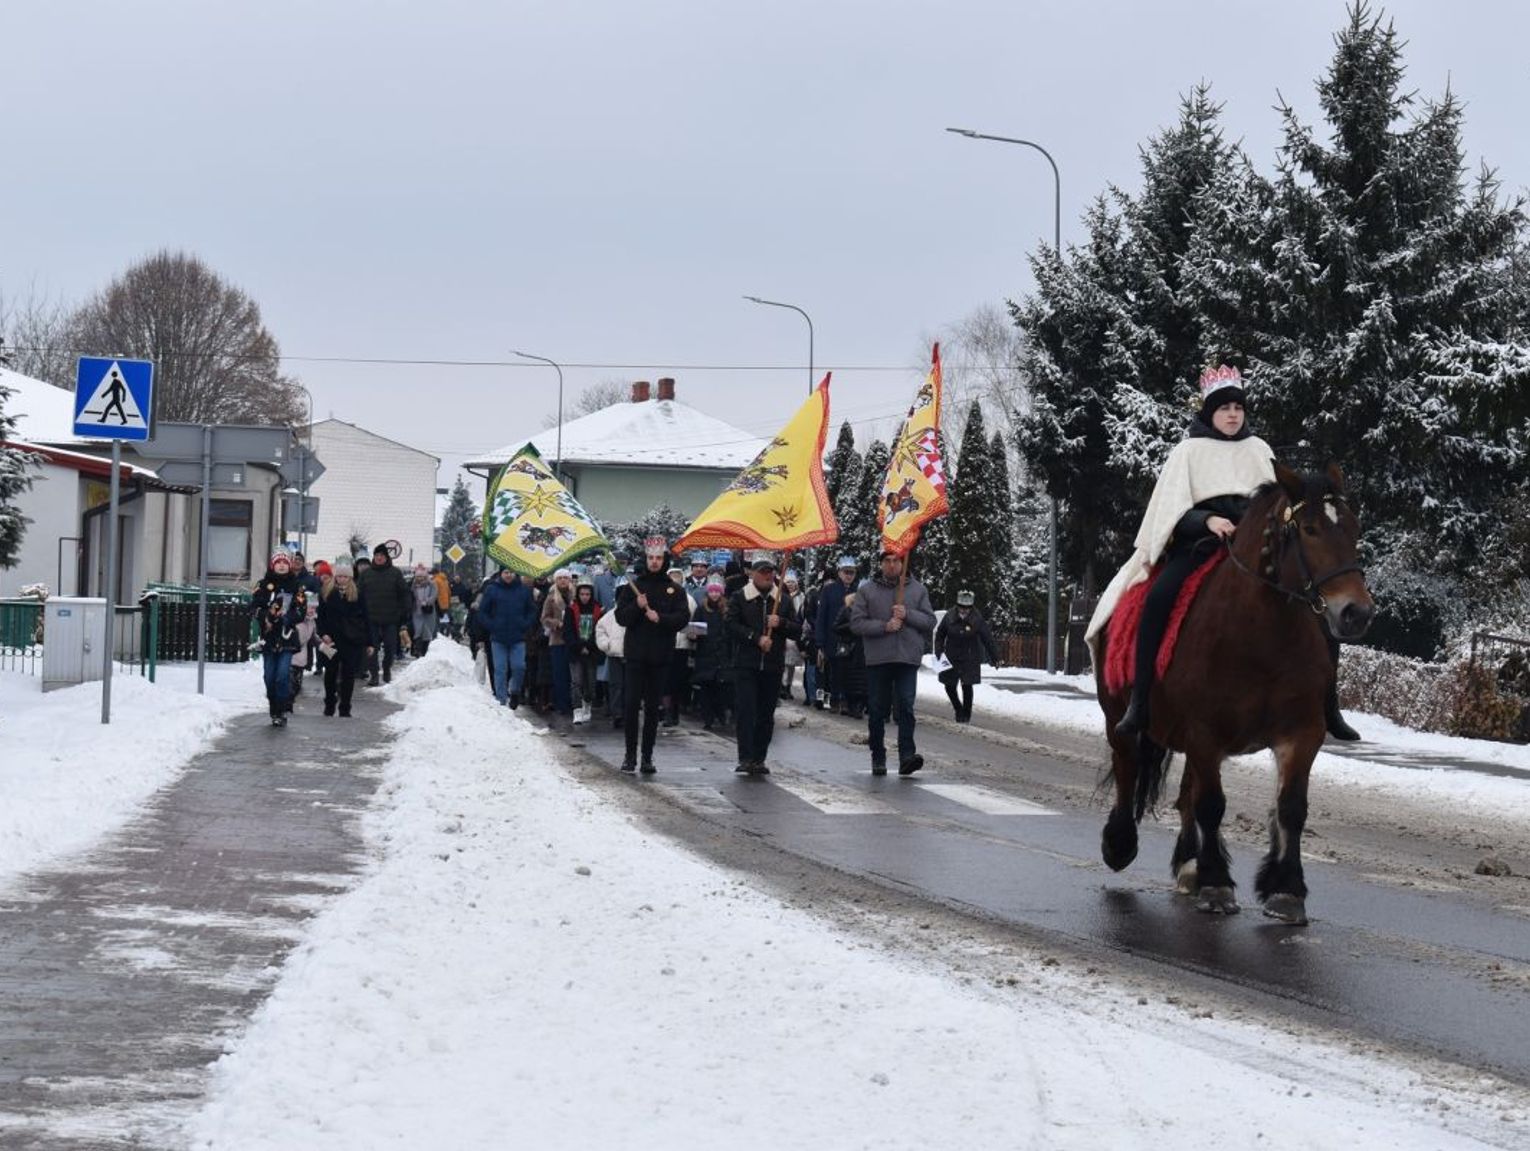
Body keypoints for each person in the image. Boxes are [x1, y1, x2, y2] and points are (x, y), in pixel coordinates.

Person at [1091, 365, 1363, 739]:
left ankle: (1328, 706)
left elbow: (1280, 506)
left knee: (1315, 603)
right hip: (1199, 548)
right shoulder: (1188, 453)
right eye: (1224, 408)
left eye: (1238, 407)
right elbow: (1168, 513)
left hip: (1256, 549)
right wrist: (1207, 521)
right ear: (1209, 412)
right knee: (1158, 598)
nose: (1233, 414)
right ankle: (1139, 702)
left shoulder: (1259, 450)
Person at [850, 549, 937, 776]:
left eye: (896, 561)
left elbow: (930, 621)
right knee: (878, 709)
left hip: (907, 658)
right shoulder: (867, 590)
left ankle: (907, 756)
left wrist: (907, 614)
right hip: (879, 658)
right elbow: (857, 624)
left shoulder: (918, 590)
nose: (891, 565)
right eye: (887, 561)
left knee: (906, 706)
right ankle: (878, 755)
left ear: (902, 564)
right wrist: (884, 626)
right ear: (880, 564)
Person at [614, 537, 691, 773]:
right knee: (630, 705)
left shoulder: (675, 590)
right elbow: (621, 618)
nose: (654, 562)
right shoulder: (632, 587)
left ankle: (647, 756)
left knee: (652, 710)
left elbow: (682, 618)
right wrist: (637, 606)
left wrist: (662, 619)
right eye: (651, 558)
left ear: (664, 560)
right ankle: (629, 756)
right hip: (636, 655)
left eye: (658, 558)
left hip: (660, 657)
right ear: (645, 560)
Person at [727, 558, 800, 774]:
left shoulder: (783, 600)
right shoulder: (740, 597)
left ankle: (759, 758)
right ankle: (745, 757)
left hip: (772, 665)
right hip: (746, 664)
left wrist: (781, 623)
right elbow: (731, 625)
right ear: (753, 574)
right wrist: (755, 638)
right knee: (747, 711)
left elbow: (796, 629)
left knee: (766, 713)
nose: (767, 576)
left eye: (771, 572)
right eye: (763, 572)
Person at [251, 550, 308, 726]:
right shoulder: (262, 585)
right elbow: (253, 607)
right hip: (268, 638)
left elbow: (301, 610)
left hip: (287, 638)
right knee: (269, 676)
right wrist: (266, 616)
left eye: (285, 562)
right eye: (278, 562)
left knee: (282, 676)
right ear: (273, 565)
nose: (282, 565)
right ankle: (273, 706)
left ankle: (281, 709)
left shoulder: (296, 586)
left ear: (289, 565)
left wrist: (286, 618)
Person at [316, 556, 373, 717]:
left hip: (351, 640)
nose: (342, 579)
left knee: (348, 674)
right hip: (332, 640)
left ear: (350, 577)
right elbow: (321, 616)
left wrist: (370, 642)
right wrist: (324, 634)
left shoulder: (357, 594)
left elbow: (366, 618)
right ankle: (329, 702)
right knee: (331, 673)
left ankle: (345, 707)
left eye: (345, 576)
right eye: (339, 576)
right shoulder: (327, 592)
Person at [934, 590, 1000, 723]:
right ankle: (958, 708)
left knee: (967, 685)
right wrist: (939, 651)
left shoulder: (977, 619)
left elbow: (987, 638)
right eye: (961, 607)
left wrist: (995, 657)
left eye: (967, 608)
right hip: (951, 656)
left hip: (970, 657)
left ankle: (966, 714)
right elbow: (940, 635)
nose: (964, 610)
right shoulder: (949, 616)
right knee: (949, 685)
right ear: (957, 605)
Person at [476, 566, 537, 707]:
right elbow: (482, 612)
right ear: (501, 574)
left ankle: (515, 690)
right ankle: (501, 700)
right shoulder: (492, 589)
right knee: (500, 669)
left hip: (518, 637)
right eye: (506, 572)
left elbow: (532, 611)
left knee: (519, 666)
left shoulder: (523, 590)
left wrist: (525, 624)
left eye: (511, 572)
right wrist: (492, 625)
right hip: (498, 637)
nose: (509, 575)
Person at [358, 543, 410, 685]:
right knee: (371, 649)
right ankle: (374, 675)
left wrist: (404, 612)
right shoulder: (366, 574)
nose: (379, 558)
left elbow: (404, 594)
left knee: (390, 647)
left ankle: (387, 668)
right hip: (370, 619)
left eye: (382, 556)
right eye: (377, 556)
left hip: (390, 618)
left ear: (386, 558)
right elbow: (358, 595)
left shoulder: (395, 573)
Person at [816, 556, 860, 714]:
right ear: (839, 572)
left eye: (852, 572)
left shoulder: (858, 591)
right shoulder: (829, 590)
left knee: (851, 672)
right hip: (833, 638)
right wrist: (820, 642)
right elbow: (821, 617)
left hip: (852, 639)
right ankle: (834, 699)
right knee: (834, 672)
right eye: (846, 572)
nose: (849, 575)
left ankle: (848, 701)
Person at [689, 578, 732, 732]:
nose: (714, 594)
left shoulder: (727, 610)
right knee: (705, 688)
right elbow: (693, 630)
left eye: (717, 591)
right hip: (705, 654)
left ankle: (720, 715)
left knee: (721, 688)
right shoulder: (701, 609)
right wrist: (693, 635)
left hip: (722, 656)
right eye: (712, 591)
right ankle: (708, 718)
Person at [567, 576, 603, 724]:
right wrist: (578, 646)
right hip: (575, 651)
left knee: (590, 682)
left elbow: (598, 630)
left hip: (591, 651)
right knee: (576, 681)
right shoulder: (571, 609)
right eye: (582, 594)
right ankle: (576, 709)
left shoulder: (597, 609)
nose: (585, 597)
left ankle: (587, 703)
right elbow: (568, 631)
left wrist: (589, 646)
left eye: (587, 594)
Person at [541, 569, 575, 720]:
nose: (563, 581)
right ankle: (562, 704)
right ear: (556, 580)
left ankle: (574, 703)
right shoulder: (551, 597)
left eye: (565, 578)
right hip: (558, 639)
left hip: (574, 639)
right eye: (560, 578)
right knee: (559, 674)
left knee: (573, 674)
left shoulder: (575, 595)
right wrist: (556, 623)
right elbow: (544, 618)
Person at [595, 588, 627, 728]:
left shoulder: (638, 614)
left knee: (631, 687)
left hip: (633, 655)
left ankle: (629, 713)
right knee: (616, 686)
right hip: (615, 655)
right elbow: (600, 630)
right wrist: (607, 645)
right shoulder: (609, 616)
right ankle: (617, 714)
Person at [410, 564, 438, 657]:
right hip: (416, 612)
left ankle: (425, 650)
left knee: (427, 631)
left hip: (428, 611)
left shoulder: (431, 584)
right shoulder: (413, 585)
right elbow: (410, 596)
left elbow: (434, 595)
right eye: (418, 576)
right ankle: (417, 650)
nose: (419, 578)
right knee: (418, 630)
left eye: (421, 576)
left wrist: (428, 602)